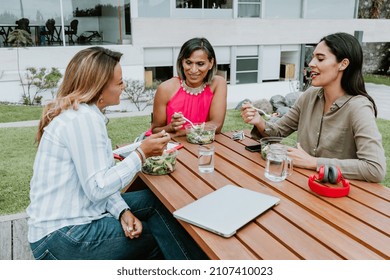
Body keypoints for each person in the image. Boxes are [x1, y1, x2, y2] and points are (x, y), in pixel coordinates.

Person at [26, 47, 207, 260]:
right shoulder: (82, 120)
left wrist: (122, 211)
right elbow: (97, 187)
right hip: (60, 239)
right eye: (120, 82)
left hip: (70, 224)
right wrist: (141, 154)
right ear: (100, 88)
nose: (124, 86)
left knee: (157, 202)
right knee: (162, 235)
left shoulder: (82, 114)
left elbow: (97, 180)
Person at [241, 32, 386, 183]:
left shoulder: (358, 107)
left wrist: (313, 162)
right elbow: (277, 131)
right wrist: (258, 121)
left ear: (343, 64)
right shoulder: (310, 95)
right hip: (304, 185)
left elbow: (375, 168)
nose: (311, 63)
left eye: (320, 58)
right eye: (313, 57)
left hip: (340, 196)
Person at [150, 37, 227, 137]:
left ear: (211, 63)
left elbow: (216, 125)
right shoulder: (165, 88)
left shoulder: (218, 83)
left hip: (204, 146)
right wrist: (170, 127)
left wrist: (180, 133)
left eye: (200, 64)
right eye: (189, 62)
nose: (193, 70)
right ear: (182, 62)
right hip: (173, 148)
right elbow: (155, 130)